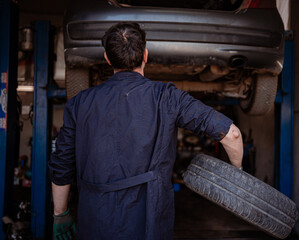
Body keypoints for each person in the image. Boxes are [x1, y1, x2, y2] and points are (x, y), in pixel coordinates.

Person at [48, 22, 243, 240]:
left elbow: (61, 165)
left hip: (95, 221)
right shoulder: (167, 97)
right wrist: (238, 176)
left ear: (107, 59)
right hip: (149, 222)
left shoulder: (80, 103)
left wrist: (60, 214)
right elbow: (231, 134)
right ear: (146, 55)